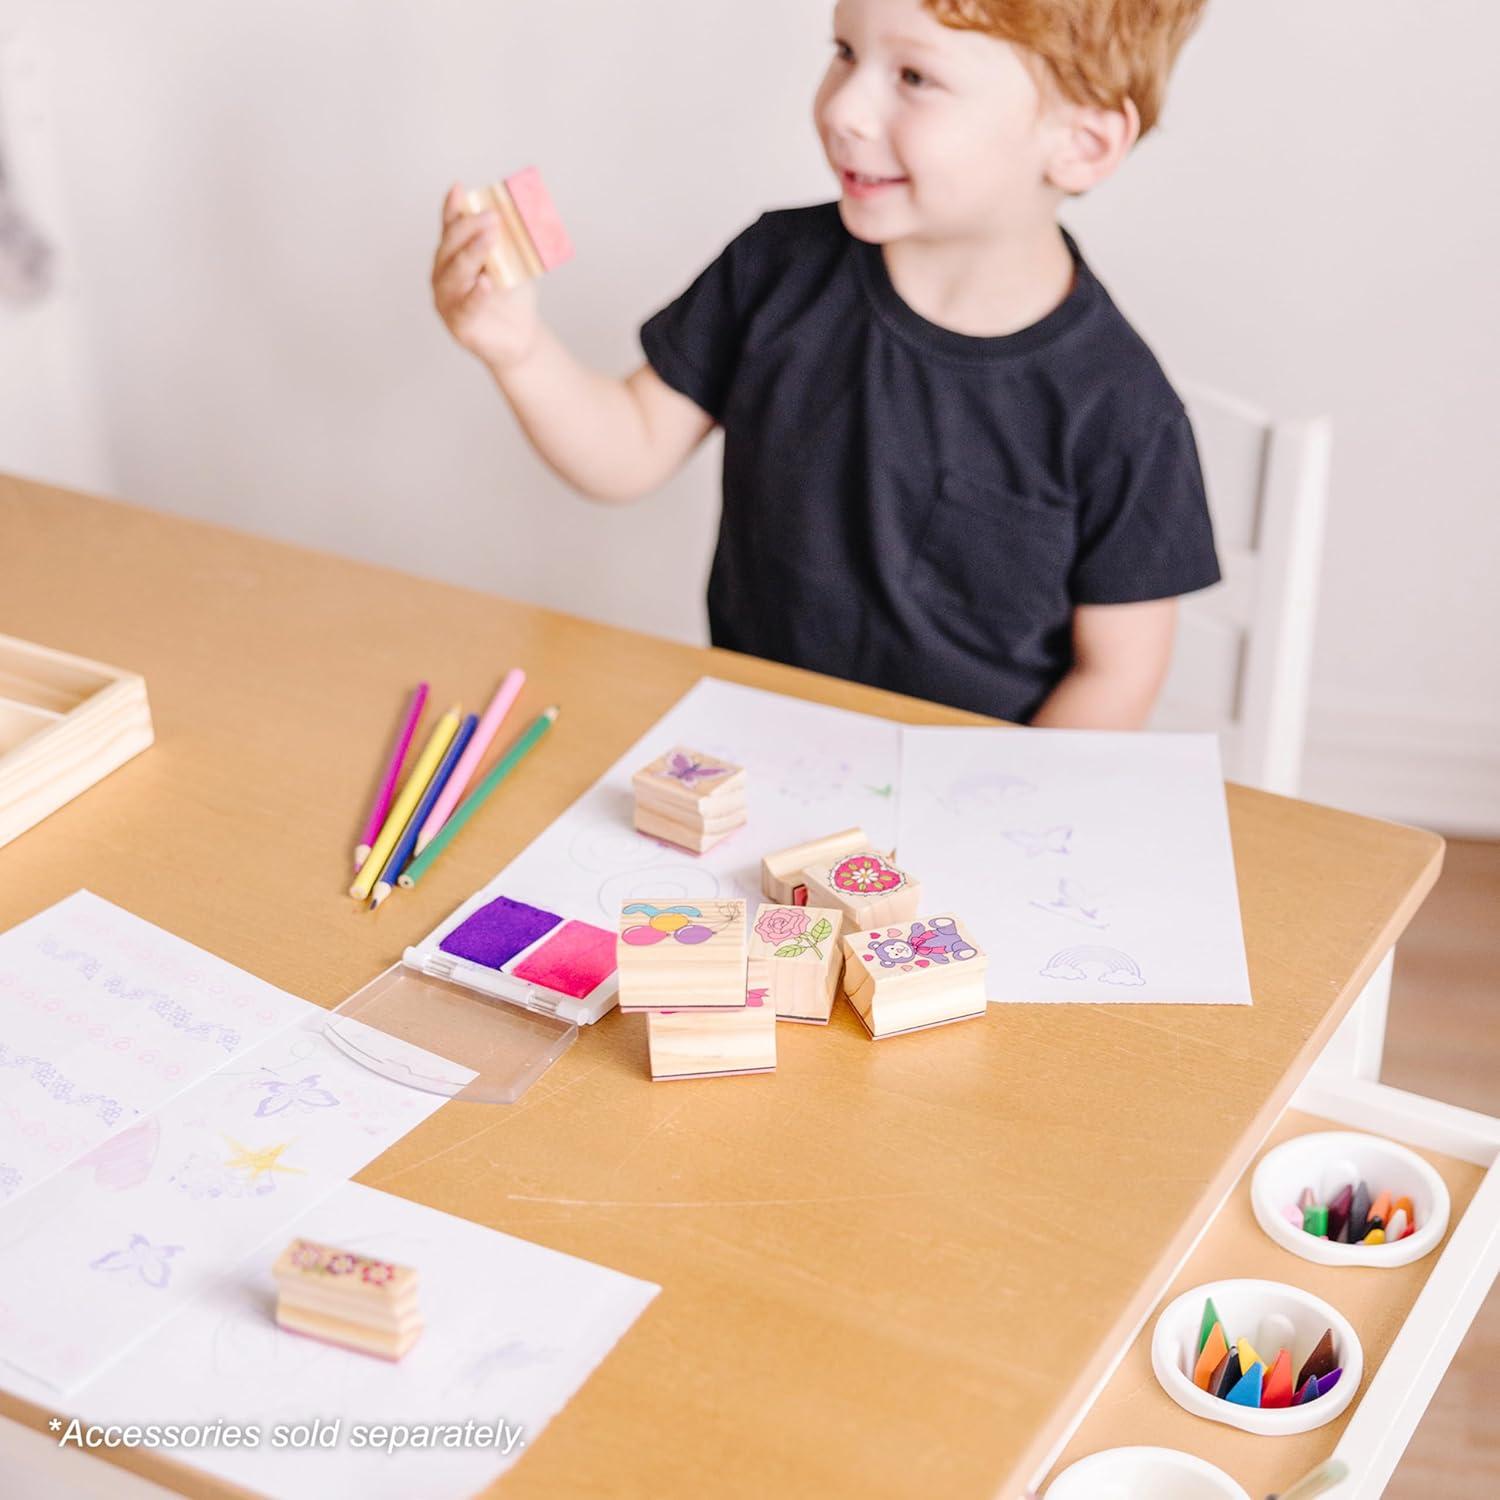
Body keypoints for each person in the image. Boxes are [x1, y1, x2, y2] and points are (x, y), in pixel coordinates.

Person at [432, 0, 1219, 726]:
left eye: (914, 76)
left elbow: (1117, 677)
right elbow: (628, 451)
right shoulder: (774, 269)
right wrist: (518, 349)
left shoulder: (1122, 410)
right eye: (844, 52)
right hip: (753, 753)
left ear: (1081, 143)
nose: (841, 108)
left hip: (964, 809)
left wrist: (995, 826)